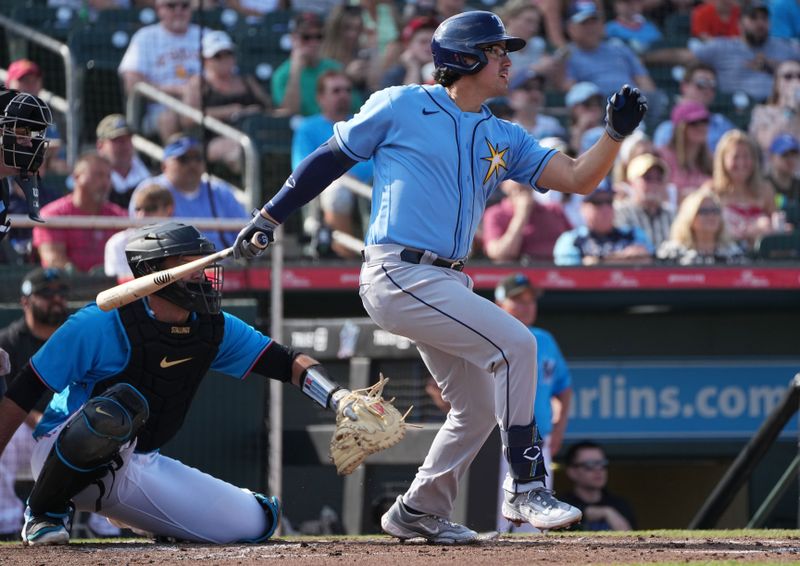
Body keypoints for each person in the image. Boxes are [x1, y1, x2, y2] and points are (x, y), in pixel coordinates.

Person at [232, 10, 648, 543]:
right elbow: (329, 157)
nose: (507, 59)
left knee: (474, 406)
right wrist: (270, 216)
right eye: (497, 50)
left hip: (446, 281)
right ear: (465, 57)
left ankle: (417, 509)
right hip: (397, 270)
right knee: (517, 345)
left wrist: (613, 135)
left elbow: (578, 178)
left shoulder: (504, 133)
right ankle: (526, 484)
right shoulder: (402, 103)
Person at [0, 221, 361, 546]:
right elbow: (24, 390)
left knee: (255, 522)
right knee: (113, 409)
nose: (202, 275)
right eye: (188, 265)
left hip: (134, 462)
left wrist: (338, 398)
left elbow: (286, 362)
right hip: (57, 453)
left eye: (203, 265)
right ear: (151, 271)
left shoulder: (213, 326)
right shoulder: (98, 323)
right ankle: (44, 511)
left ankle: (145, 516)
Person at [493, 274, 572, 533]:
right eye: (518, 300)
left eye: (530, 300)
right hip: (495, 442)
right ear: (499, 304)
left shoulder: (544, 339)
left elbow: (563, 388)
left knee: (537, 521)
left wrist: (558, 428)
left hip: (538, 441)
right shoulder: (487, 337)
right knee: (490, 520)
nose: (527, 306)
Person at [0, 268, 67, 540]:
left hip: (67, 425)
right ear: (25, 301)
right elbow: (8, 398)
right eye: (46, 294)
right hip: (25, 427)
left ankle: (108, 529)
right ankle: (6, 524)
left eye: (61, 293)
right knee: (6, 442)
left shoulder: (72, 336)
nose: (56, 299)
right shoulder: (9, 340)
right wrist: (36, 418)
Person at [292, 71, 373, 259]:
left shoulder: (363, 124)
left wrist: (352, 176)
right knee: (338, 192)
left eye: (347, 90)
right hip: (328, 188)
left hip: (367, 185)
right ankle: (347, 258)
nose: (343, 95)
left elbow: (377, 164)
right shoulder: (307, 127)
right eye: (336, 91)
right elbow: (302, 166)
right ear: (321, 97)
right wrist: (342, 176)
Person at [129, 135, 248, 251]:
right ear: (164, 165)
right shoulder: (151, 190)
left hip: (226, 264)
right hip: (174, 265)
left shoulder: (220, 191)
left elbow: (245, 233)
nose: (192, 164)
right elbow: (141, 236)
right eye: (183, 159)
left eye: (197, 158)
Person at [183, 30, 272, 175]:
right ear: (205, 60)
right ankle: (253, 194)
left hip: (252, 133)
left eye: (228, 54)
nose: (224, 59)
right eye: (217, 56)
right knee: (240, 151)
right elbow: (188, 118)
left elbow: (268, 108)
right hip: (213, 139)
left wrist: (254, 112)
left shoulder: (247, 81)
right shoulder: (198, 84)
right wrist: (230, 111)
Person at [118, 0, 202, 142]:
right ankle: (178, 162)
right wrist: (177, 90)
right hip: (161, 107)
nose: (178, 11)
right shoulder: (145, 37)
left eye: (184, 6)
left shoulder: (206, 34)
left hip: (204, 104)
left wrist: (193, 89)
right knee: (168, 119)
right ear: (158, 9)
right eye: (171, 6)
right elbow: (132, 84)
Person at [33, 153, 127, 273]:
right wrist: (83, 280)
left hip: (112, 288)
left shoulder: (118, 216)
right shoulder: (53, 215)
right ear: (76, 177)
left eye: (108, 176)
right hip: (66, 288)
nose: (105, 182)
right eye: (98, 175)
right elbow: (53, 259)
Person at [689, 2, 800, 102]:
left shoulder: (785, 47)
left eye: (764, 18)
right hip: (735, 110)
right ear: (740, 24)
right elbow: (686, 57)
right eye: (753, 18)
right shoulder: (722, 46)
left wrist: (775, 66)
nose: (760, 23)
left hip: (778, 109)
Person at [701, 129, 781, 250]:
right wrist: (745, 233)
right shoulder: (711, 190)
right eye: (735, 157)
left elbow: (776, 225)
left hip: (761, 261)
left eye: (746, 156)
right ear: (723, 160)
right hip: (723, 258)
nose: (742, 163)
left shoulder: (765, 189)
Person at [554, 179, 654, 265]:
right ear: (582, 207)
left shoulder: (633, 233)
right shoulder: (571, 240)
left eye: (609, 201)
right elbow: (569, 275)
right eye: (597, 202)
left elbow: (649, 261)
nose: (605, 208)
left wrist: (600, 262)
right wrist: (625, 259)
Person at [271, 12, 346, 117]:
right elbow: (289, 114)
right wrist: (296, 70)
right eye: (306, 37)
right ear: (293, 39)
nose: (314, 43)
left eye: (318, 37)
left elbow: (354, 108)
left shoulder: (335, 68)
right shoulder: (281, 75)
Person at [482, 179, 572, 263]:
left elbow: (576, 245)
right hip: (518, 274)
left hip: (558, 274)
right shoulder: (495, 214)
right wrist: (521, 215)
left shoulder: (554, 211)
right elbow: (499, 254)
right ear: (503, 184)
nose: (523, 181)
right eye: (515, 178)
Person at [652, 62, 734, 154]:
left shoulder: (722, 124)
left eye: (712, 85)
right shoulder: (667, 130)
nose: (707, 90)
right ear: (684, 86)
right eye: (701, 83)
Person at [5, 59, 68, 176]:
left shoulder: (45, 118)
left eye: (35, 81)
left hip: (36, 181)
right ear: (9, 84)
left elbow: (59, 158)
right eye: (24, 80)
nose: (30, 85)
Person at [656, 186, 745, 264]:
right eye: (704, 211)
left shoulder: (733, 254)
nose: (711, 216)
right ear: (689, 217)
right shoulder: (672, 253)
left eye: (715, 211)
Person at [105, 183, 174, 281]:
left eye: (150, 208)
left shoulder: (180, 241)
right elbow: (118, 286)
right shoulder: (117, 243)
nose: (142, 215)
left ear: (168, 210)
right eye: (138, 208)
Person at [561, 441, 636, 531]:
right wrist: (604, 512)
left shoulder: (620, 505)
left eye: (602, 463)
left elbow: (631, 538)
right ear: (572, 471)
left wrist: (609, 512)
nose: (598, 470)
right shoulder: (560, 505)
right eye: (590, 464)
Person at [614, 152, 675, 249]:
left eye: (659, 179)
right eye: (647, 178)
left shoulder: (671, 214)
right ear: (631, 182)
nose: (654, 184)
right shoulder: (621, 212)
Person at [658, 100, 713, 203]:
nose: (701, 127)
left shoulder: (712, 162)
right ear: (680, 128)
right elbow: (658, 192)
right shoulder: (662, 157)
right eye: (694, 123)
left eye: (704, 121)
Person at [95, 114, 153, 210]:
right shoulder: (89, 180)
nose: (124, 145)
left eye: (128, 138)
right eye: (116, 140)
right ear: (100, 146)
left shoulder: (152, 178)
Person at [748, 59, 800, 160]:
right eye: (788, 76)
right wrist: (789, 110)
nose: (796, 82)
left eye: (799, 76)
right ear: (777, 84)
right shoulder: (762, 111)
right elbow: (767, 142)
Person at [507, 69, 566, 141]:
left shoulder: (552, 125)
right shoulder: (505, 129)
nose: (535, 93)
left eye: (539, 88)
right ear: (512, 96)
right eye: (527, 88)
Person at [764, 134, 800, 214]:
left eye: (794, 154)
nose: (791, 159)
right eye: (785, 155)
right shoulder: (762, 184)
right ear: (771, 157)